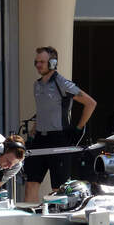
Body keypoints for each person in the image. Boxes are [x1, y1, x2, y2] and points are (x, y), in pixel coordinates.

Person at [24, 46, 97, 203]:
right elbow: (43, 110)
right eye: (36, 62)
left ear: (52, 63)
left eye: (42, 62)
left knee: (59, 188)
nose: (38, 65)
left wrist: (78, 128)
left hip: (59, 139)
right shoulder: (36, 85)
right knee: (31, 184)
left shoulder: (62, 83)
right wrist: (34, 128)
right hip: (39, 139)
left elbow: (90, 103)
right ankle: (30, 222)